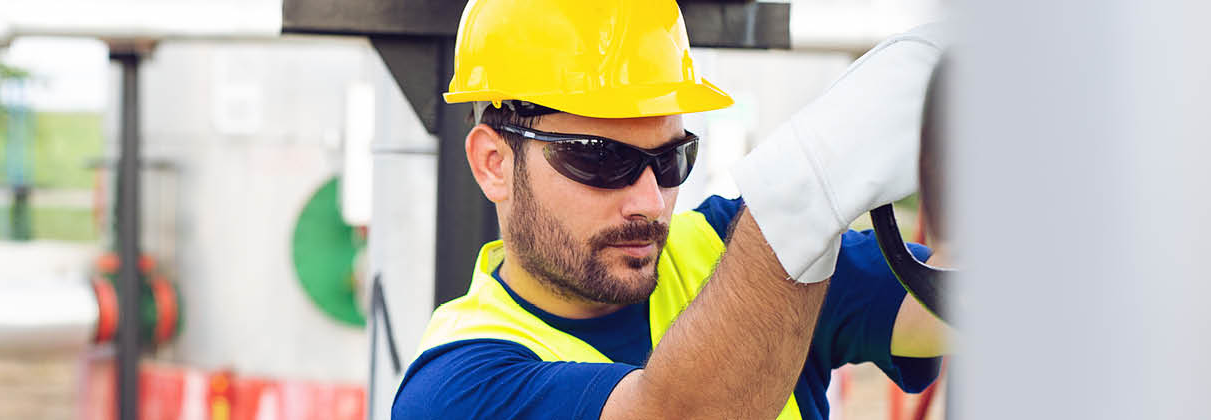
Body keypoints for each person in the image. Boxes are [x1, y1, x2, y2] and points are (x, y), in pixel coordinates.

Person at [390, 0, 951, 419]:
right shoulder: (454, 388)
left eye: (668, 160)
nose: (649, 201)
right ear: (493, 163)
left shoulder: (729, 248)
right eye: (600, 160)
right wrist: (806, 186)